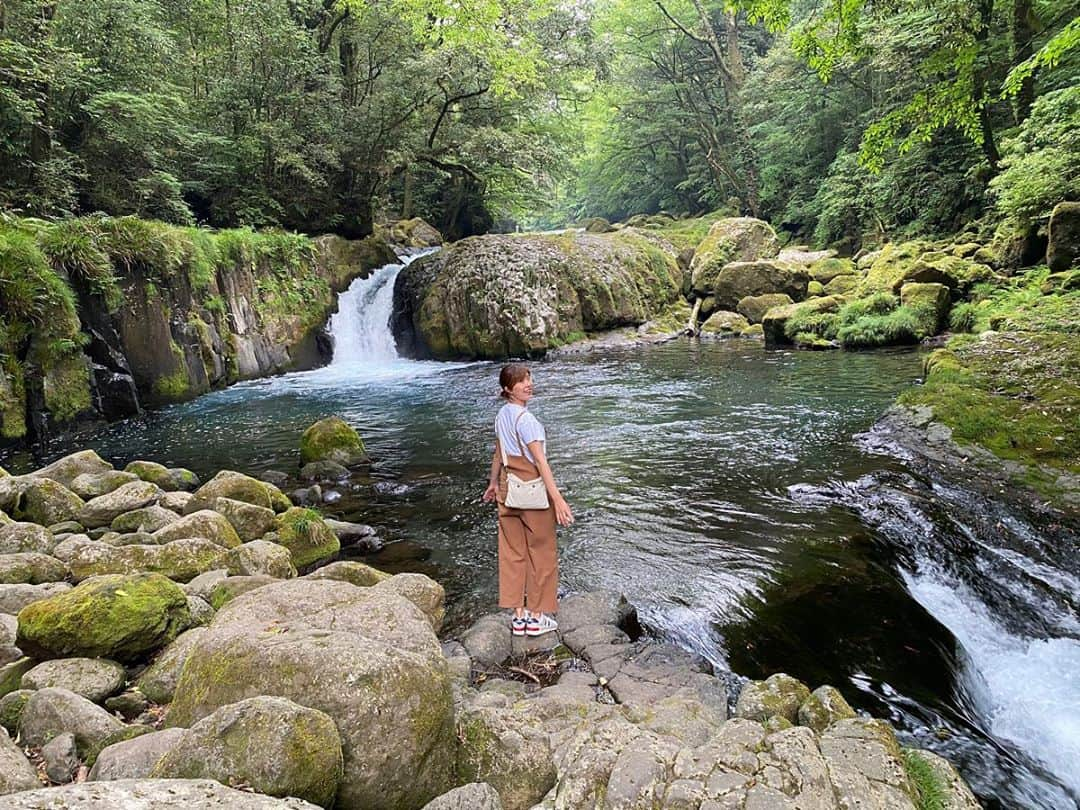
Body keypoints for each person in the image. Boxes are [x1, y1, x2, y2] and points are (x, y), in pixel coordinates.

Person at [482, 363, 574, 637]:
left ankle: (518, 617)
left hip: (508, 490)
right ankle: (536, 617)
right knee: (542, 553)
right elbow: (541, 462)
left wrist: (492, 484)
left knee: (512, 554)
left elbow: (499, 454)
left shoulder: (501, 416)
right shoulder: (528, 420)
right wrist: (558, 500)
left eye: (529, 378)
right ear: (508, 389)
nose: (528, 384)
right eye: (521, 381)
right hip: (533, 493)